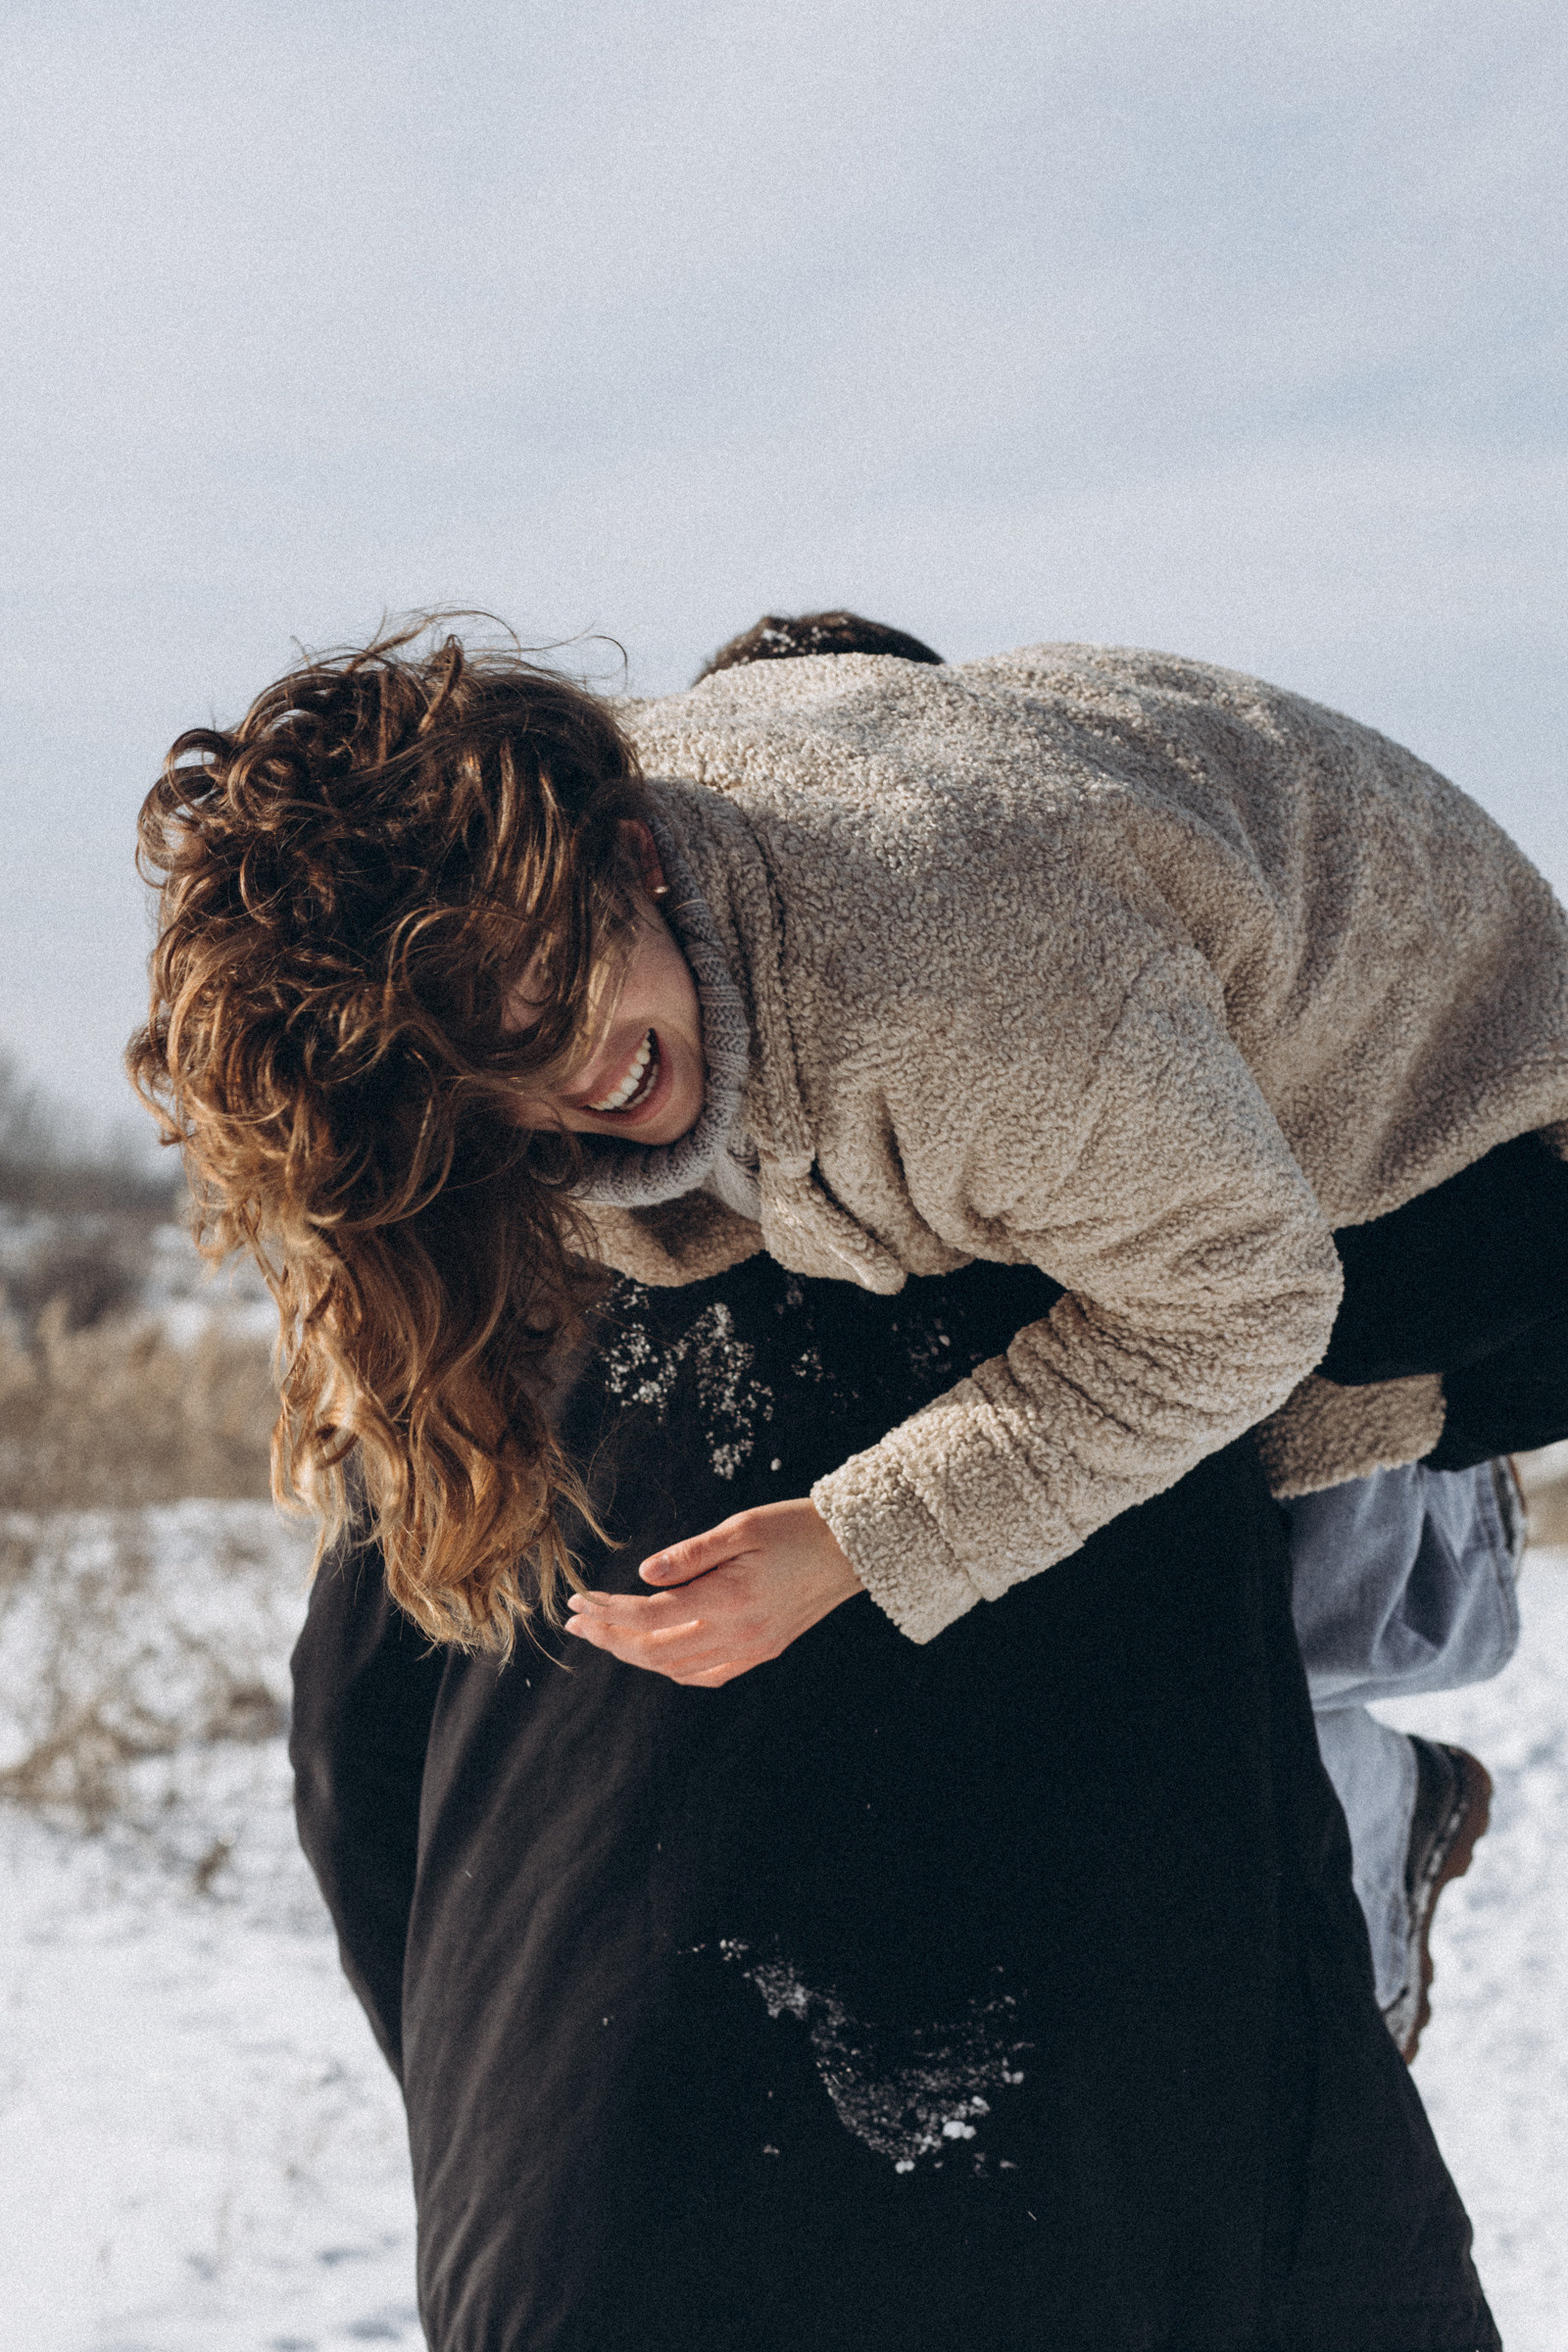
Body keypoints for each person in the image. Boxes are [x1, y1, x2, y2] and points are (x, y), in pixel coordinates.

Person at [132, 608, 1568, 2348]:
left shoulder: (975, 979)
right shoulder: (532, 1118)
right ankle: (1364, 1783)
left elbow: (1246, 1306)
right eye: (482, 1076)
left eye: (548, 1005)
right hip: (1099, 2205)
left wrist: (856, 1538)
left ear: (641, 854)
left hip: (1477, 1151)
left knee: (1238, 1423)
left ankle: (1368, 1784)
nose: (559, 1079)